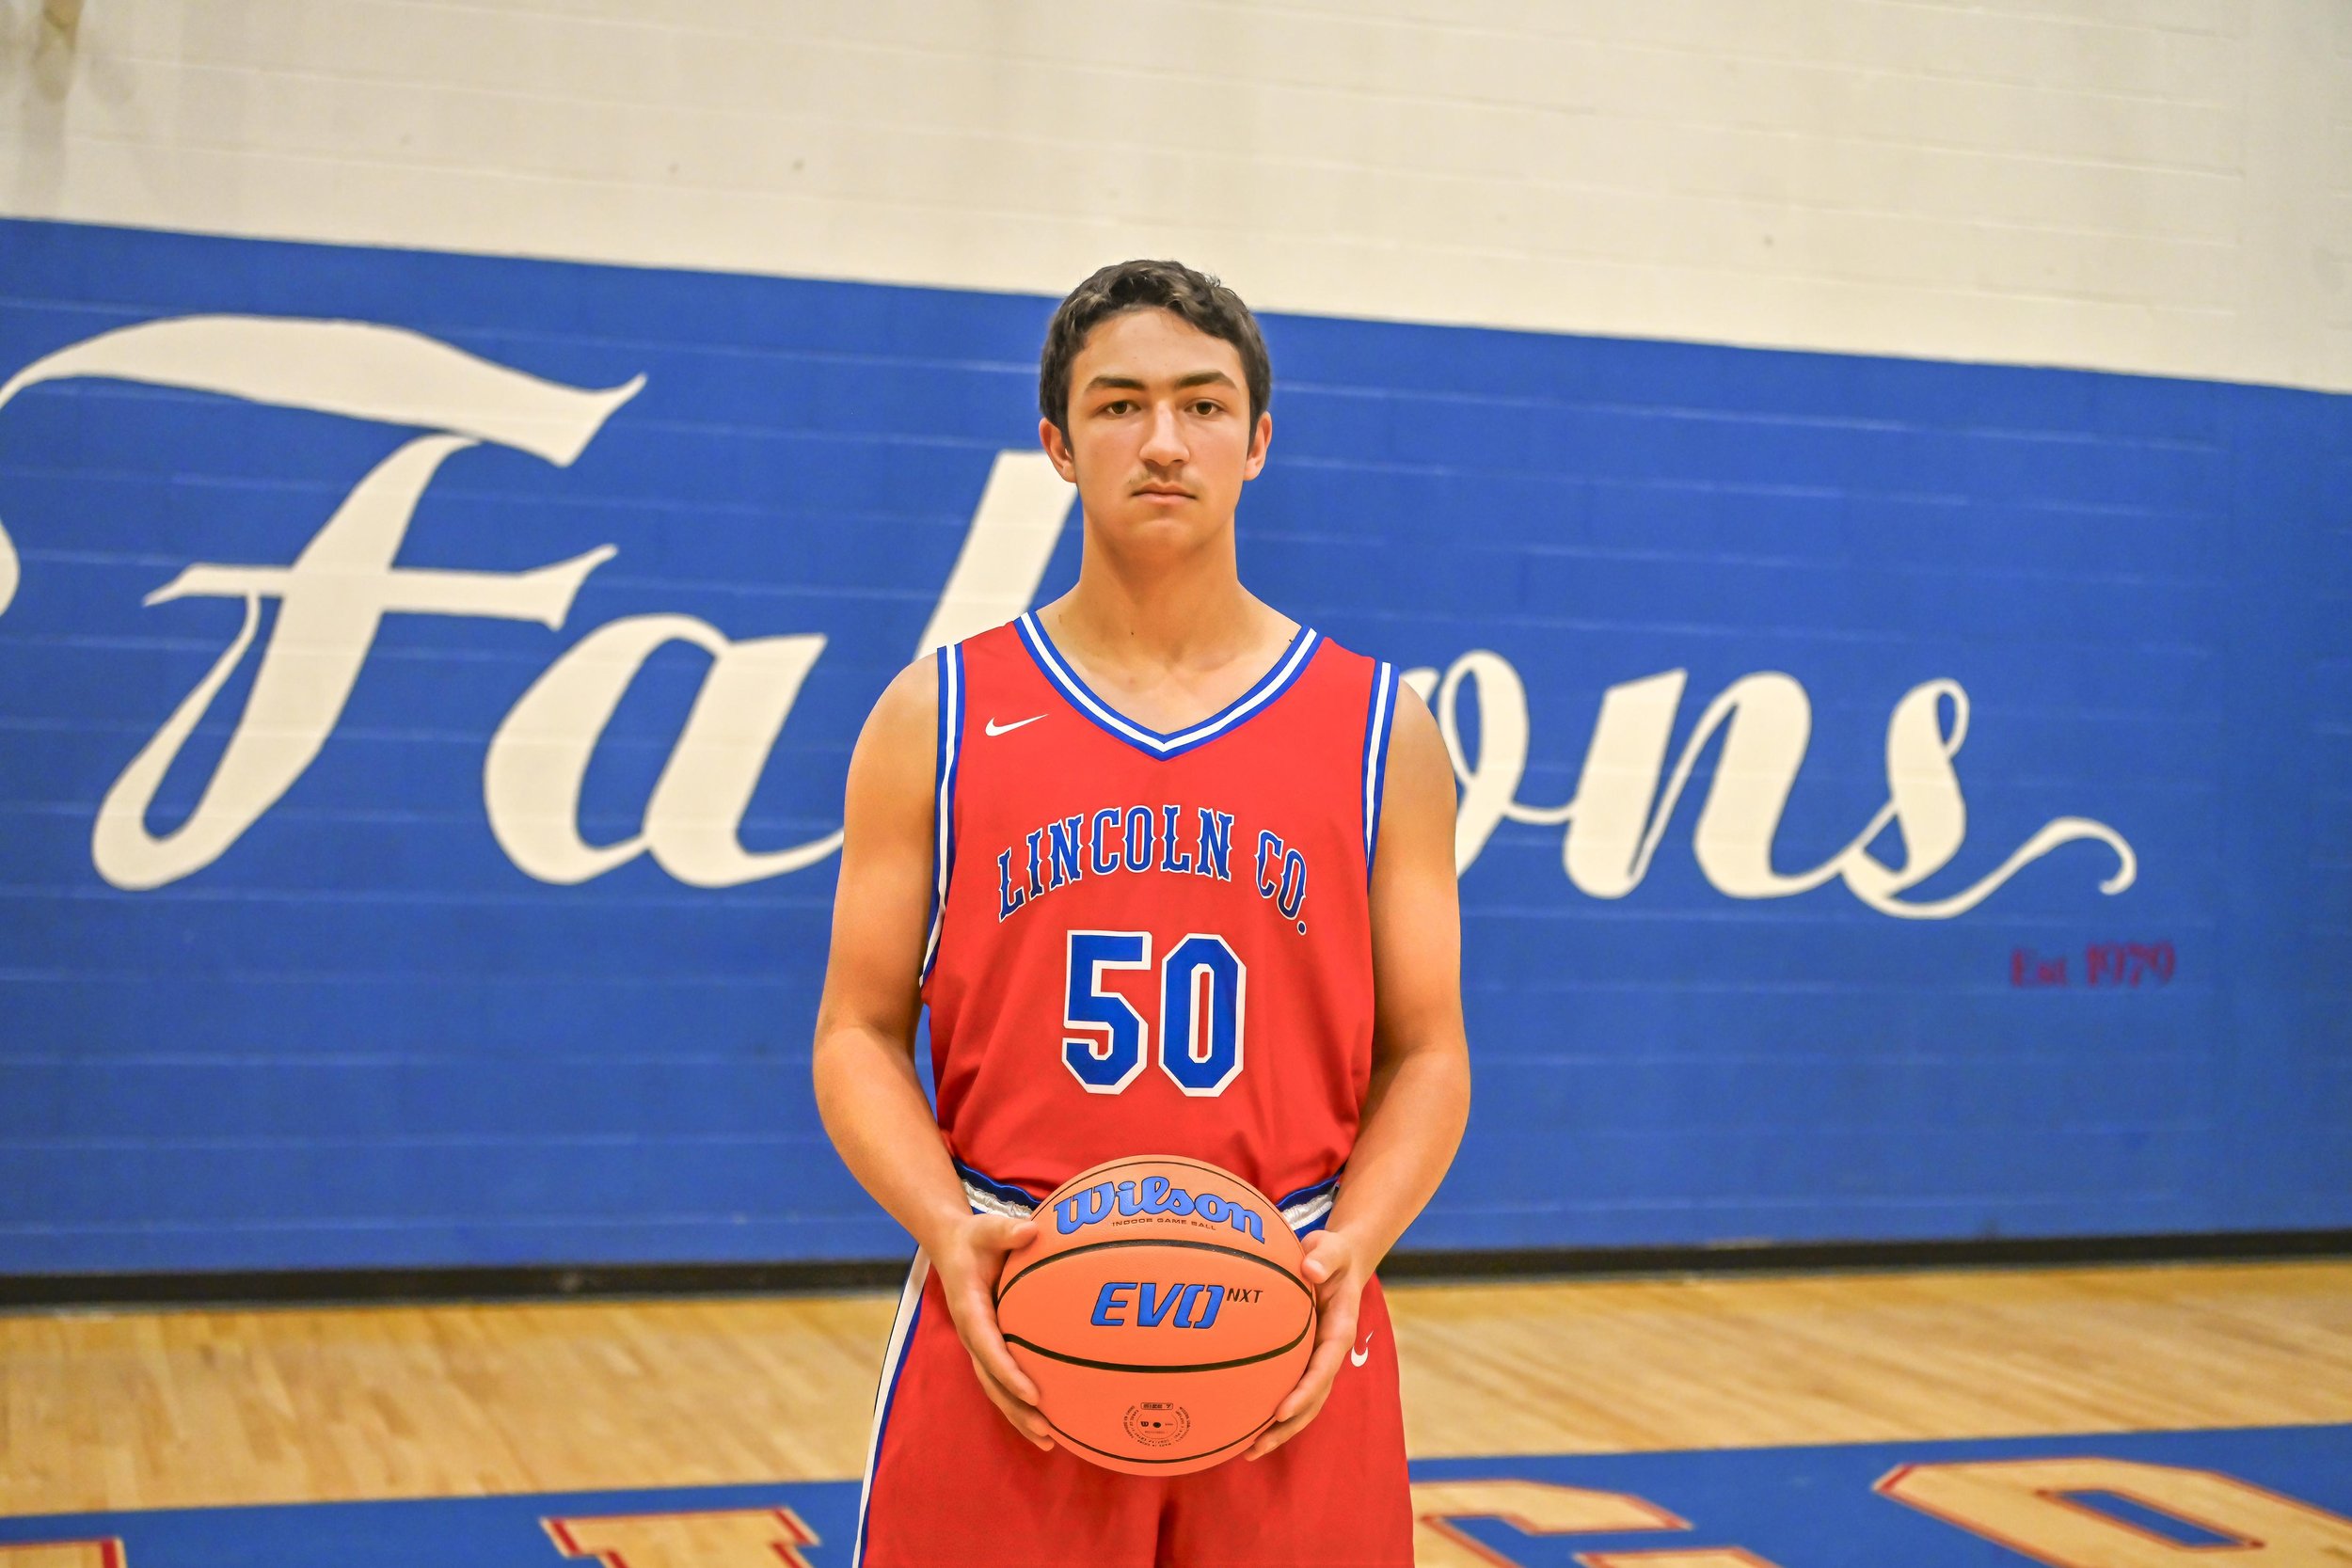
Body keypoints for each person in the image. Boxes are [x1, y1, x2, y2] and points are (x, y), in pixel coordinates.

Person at [812, 258, 1470, 1567]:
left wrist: (1356, 1246)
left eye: (1203, 404)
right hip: (1015, 1303)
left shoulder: (1378, 730)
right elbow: (855, 1032)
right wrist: (945, 1225)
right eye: (1118, 405)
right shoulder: (936, 715)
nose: (1164, 441)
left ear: (1258, 441)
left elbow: (1430, 1053)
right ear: (1057, 445)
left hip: (1288, 1308)